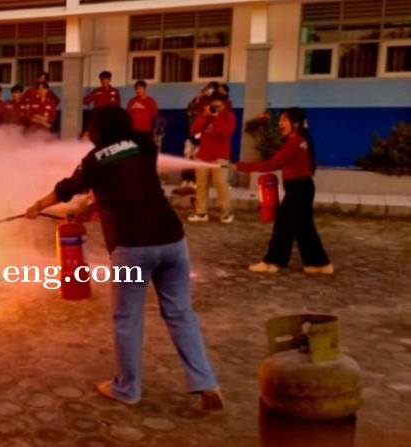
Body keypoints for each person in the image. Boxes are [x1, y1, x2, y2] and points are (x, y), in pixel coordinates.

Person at [25, 105, 223, 410]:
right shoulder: (144, 143)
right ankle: (205, 380)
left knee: (127, 319)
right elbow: (131, 184)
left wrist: (37, 205)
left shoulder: (93, 160)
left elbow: (67, 189)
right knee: (180, 313)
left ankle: (127, 388)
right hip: (171, 239)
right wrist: (90, 208)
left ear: (98, 129)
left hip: (133, 246)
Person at [232, 107, 334, 274]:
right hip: (302, 188)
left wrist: (240, 166)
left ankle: (271, 262)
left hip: (298, 189)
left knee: (283, 226)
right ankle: (319, 264)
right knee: (303, 228)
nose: (280, 123)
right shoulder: (299, 140)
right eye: (280, 120)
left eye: (284, 120)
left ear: (296, 123)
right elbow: (278, 163)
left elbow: (270, 165)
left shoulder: (295, 142)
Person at [187, 93, 236, 224]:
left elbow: (227, 132)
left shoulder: (229, 116)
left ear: (224, 104)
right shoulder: (205, 115)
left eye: (219, 106)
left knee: (221, 184)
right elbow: (193, 130)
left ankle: (226, 212)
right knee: (201, 185)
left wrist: (217, 117)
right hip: (203, 156)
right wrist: (204, 115)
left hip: (220, 156)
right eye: (213, 106)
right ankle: (201, 213)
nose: (216, 108)